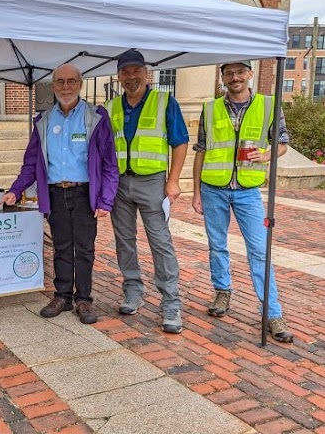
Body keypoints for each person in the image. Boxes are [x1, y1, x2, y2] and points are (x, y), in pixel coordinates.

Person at [1, 63, 118, 324]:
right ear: (53, 86)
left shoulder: (95, 116)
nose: (66, 87)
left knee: (84, 249)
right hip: (55, 194)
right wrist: (15, 190)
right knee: (61, 247)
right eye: (60, 82)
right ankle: (63, 296)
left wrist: (106, 199)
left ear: (80, 84)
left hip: (84, 193)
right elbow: (31, 163)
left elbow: (110, 163)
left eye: (71, 81)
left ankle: (84, 299)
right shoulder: (43, 120)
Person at [192, 60, 293, 343]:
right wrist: (196, 191)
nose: (234, 77)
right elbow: (201, 151)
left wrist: (267, 154)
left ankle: (272, 313)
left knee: (259, 250)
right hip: (213, 188)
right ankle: (222, 291)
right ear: (222, 78)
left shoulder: (269, 105)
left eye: (239, 72)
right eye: (229, 73)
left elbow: (282, 143)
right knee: (217, 245)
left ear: (250, 74)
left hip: (248, 190)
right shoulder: (210, 108)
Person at [105, 49, 188, 334]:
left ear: (146, 72)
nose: (131, 77)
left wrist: (173, 180)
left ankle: (171, 302)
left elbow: (180, 142)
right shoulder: (111, 107)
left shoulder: (164, 101)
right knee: (124, 240)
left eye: (136, 71)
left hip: (152, 182)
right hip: (119, 183)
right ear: (119, 76)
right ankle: (133, 290)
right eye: (125, 72)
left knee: (160, 242)